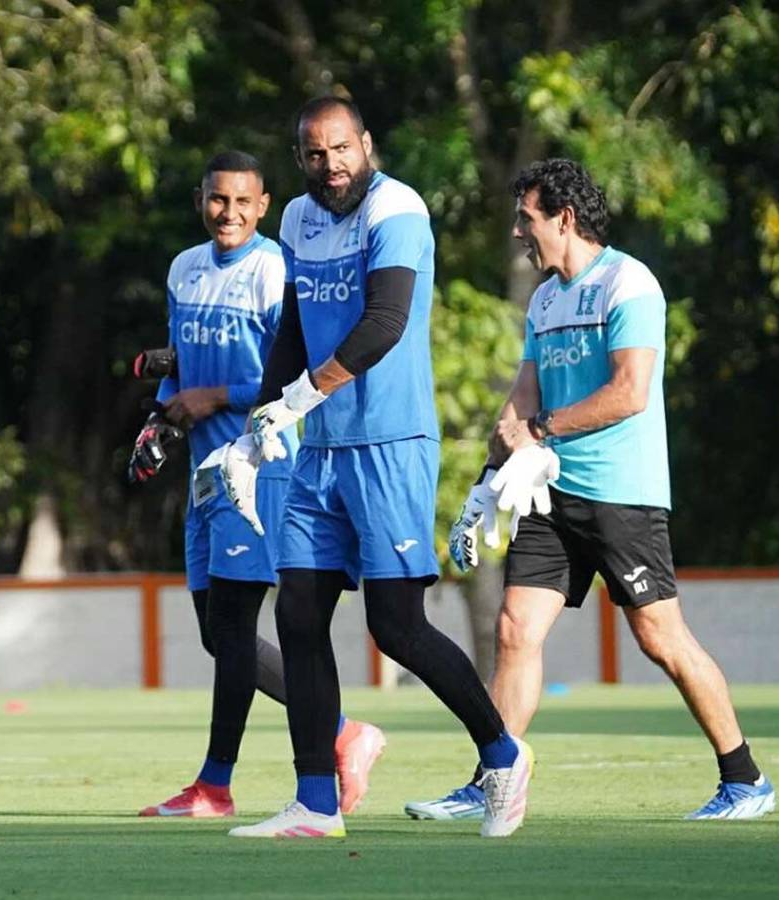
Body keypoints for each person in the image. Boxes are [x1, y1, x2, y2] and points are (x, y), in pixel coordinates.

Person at [405, 158, 776, 822]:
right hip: (551, 497)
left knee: (660, 639)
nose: (520, 230)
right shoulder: (545, 298)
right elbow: (524, 396)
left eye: (527, 217)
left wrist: (540, 429)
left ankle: (745, 780)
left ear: (564, 219)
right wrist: (485, 485)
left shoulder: (628, 283)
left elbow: (628, 393)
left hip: (622, 494)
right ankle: (495, 773)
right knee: (516, 629)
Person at [218, 97, 532, 839]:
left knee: (398, 627)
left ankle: (502, 754)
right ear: (301, 160)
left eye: (341, 149)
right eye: (315, 154)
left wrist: (301, 396)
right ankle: (316, 803)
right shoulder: (296, 218)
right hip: (316, 450)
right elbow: (295, 323)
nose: (330, 166)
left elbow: (385, 322)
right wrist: (260, 423)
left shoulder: (399, 209)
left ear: (367, 144)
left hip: (389, 444)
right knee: (297, 611)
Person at [128, 150, 384, 819]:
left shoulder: (275, 269)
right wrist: (160, 419)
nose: (229, 214)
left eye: (243, 202)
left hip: (263, 464)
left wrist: (218, 397)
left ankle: (219, 784)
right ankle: (339, 735)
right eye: (218, 200)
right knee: (219, 634)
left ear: (264, 205)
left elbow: (290, 372)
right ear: (200, 199)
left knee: (236, 625)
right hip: (207, 476)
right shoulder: (184, 268)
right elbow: (178, 361)